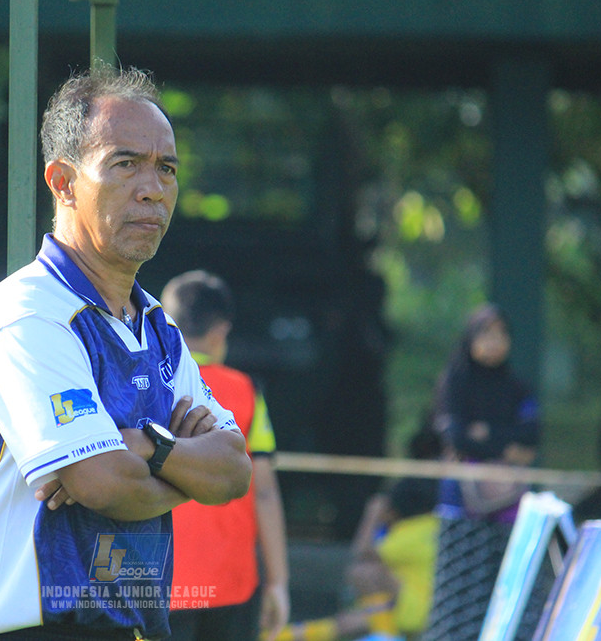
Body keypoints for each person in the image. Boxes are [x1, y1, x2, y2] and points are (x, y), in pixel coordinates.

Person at [0, 66, 252, 641]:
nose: (153, 187)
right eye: (126, 163)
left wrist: (145, 446)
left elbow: (231, 471)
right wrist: (175, 463)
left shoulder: (159, 327)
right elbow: (105, 481)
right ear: (62, 182)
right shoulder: (27, 313)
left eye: (166, 168)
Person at [159, 270, 290, 641]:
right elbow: (264, 490)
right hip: (231, 584)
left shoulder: (144, 384)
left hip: (160, 583)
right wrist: (278, 581)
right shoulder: (246, 391)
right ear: (220, 333)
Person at [420, 303, 542, 641]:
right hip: (463, 508)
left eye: (502, 334)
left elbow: (531, 436)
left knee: (511, 589)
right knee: (460, 594)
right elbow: (454, 435)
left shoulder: (518, 389)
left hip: (509, 511)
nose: (495, 342)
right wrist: (506, 445)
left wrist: (484, 435)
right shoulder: (453, 383)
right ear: (470, 338)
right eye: (486, 334)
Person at [283, 427, 440, 641]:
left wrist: (372, 514)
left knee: (364, 572)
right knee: (356, 618)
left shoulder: (411, 532)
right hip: (416, 607)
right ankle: (280, 636)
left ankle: (385, 635)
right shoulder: (434, 525)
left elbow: (362, 553)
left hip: (416, 614)